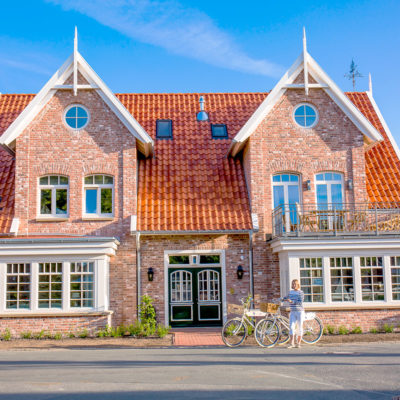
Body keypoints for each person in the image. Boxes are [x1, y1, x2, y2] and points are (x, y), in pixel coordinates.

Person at [283, 279, 305, 348]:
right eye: (293, 284)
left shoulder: (300, 292)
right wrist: (281, 299)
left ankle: (298, 343)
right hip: (292, 311)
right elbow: (286, 297)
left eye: (295, 284)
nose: (294, 285)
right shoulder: (290, 292)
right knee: (291, 327)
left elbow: (300, 302)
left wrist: (292, 301)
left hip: (299, 311)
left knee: (299, 327)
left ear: (298, 285)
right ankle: (291, 343)